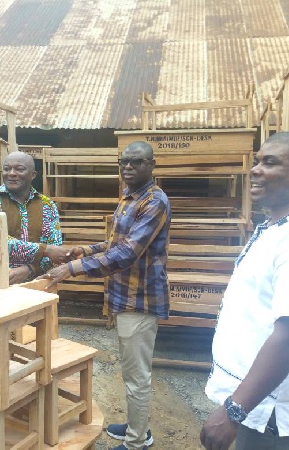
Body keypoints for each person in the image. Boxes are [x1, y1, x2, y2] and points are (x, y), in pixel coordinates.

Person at [200, 132, 289, 450]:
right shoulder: (282, 225)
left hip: (272, 411)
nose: (255, 169)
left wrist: (233, 410)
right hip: (259, 404)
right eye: (257, 161)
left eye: (270, 162)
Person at [39, 141, 171, 450]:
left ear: (152, 164)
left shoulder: (155, 202)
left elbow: (126, 254)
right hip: (125, 297)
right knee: (131, 370)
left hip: (141, 301)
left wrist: (73, 268)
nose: (127, 167)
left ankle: (137, 442)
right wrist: (84, 250)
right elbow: (115, 242)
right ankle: (136, 426)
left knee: (137, 376)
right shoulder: (129, 198)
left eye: (136, 162)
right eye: (123, 161)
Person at [0, 151, 69, 284]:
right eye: (7, 169)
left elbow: (55, 250)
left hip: (36, 283)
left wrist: (31, 269)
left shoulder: (47, 205)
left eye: (19, 169)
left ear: (33, 175)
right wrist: (44, 250)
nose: (11, 173)